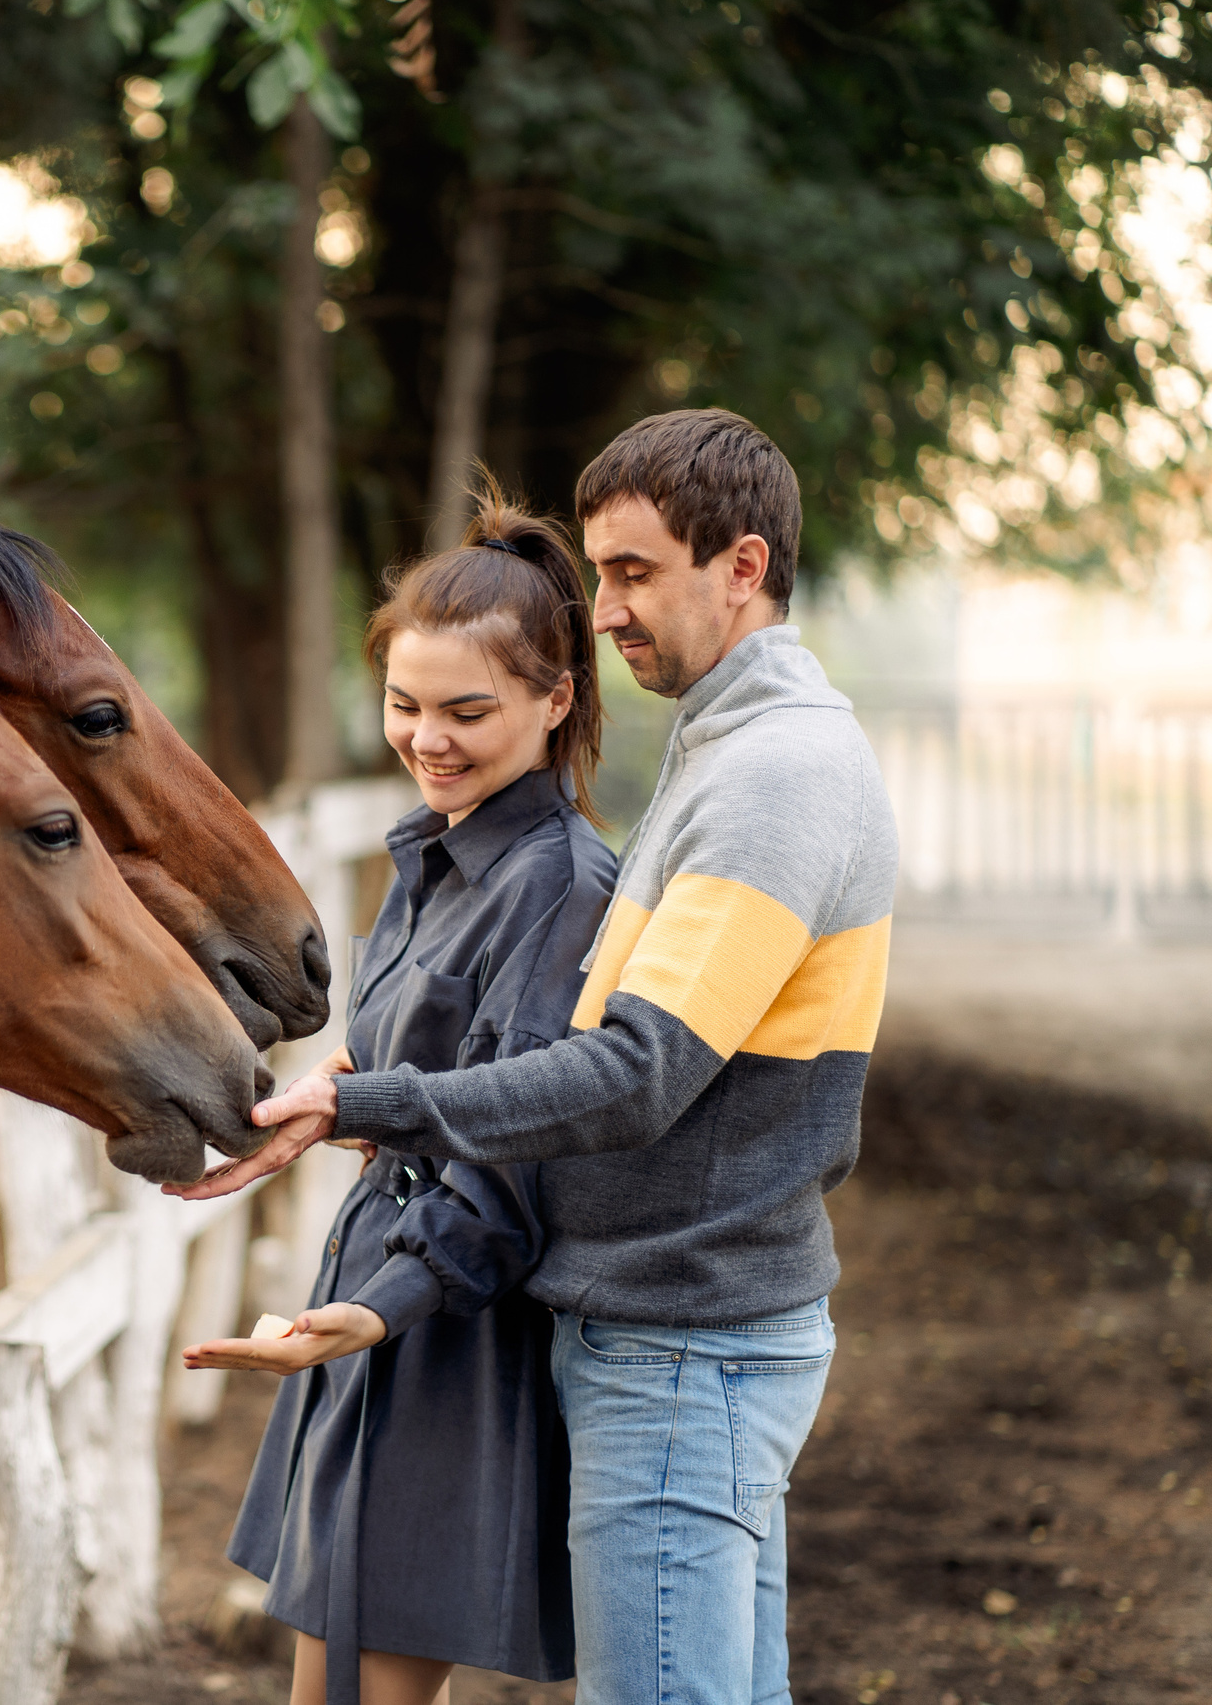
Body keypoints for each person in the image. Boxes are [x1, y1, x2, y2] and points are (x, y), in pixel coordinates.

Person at [183, 409, 899, 1705]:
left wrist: (366, 1105)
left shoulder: (771, 775)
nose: (604, 608)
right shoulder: (727, 750)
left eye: (631, 573)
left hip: (679, 1334)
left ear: (742, 566)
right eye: (600, 570)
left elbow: (636, 1071)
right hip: (656, 1326)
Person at [184, 487, 616, 1705]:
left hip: (447, 1329)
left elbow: (515, 1157)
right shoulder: (432, 849)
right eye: (405, 704)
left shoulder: (559, 887)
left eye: (467, 712)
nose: (428, 739)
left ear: (557, 700)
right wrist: (335, 1090)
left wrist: (377, 1313)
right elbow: (422, 1063)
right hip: (374, 1288)